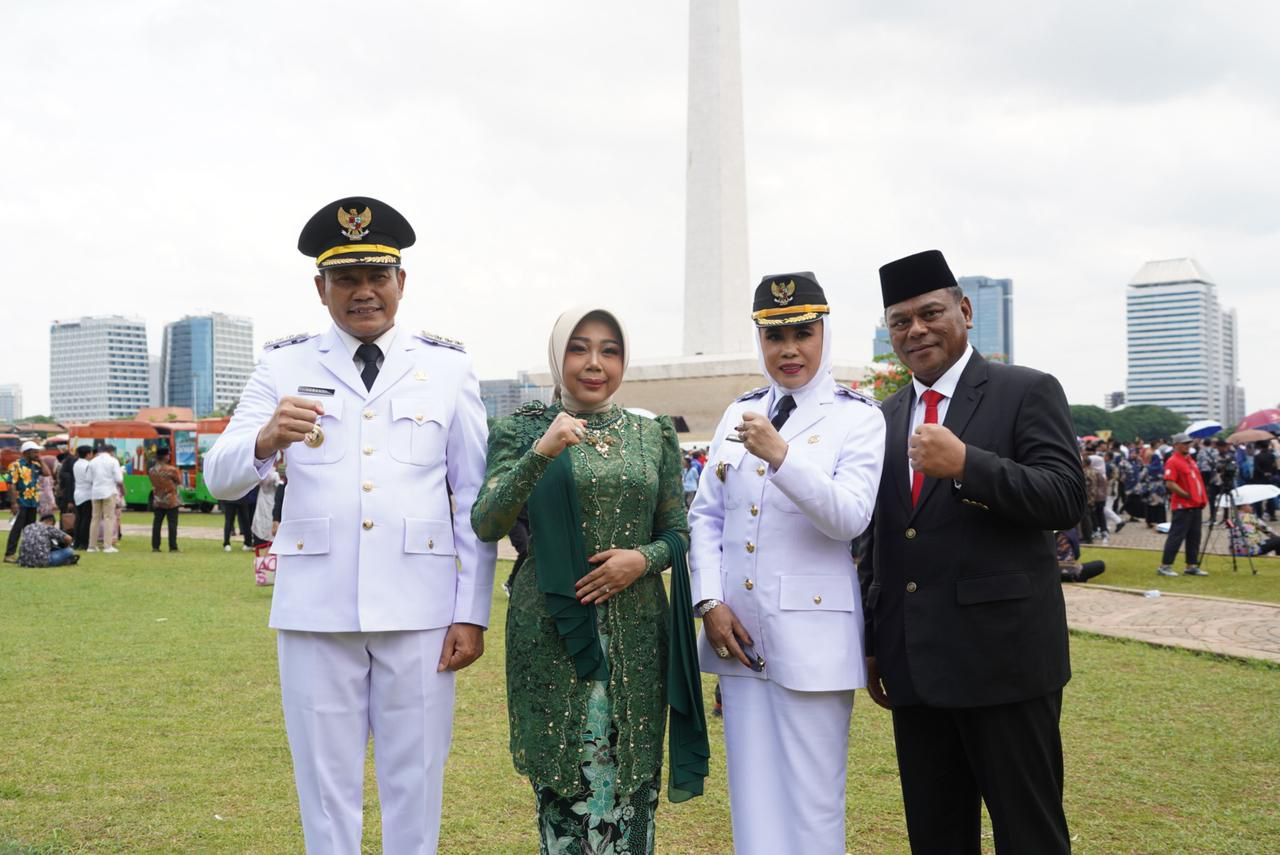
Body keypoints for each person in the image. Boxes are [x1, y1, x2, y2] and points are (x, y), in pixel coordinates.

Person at [203, 196, 497, 855]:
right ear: (320, 288)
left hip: (420, 611)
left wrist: (471, 611)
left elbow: (472, 498)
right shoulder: (283, 365)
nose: (363, 293)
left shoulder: (446, 367)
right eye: (345, 279)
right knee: (325, 791)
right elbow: (218, 476)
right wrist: (264, 438)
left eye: (377, 277)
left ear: (401, 282)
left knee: (415, 785)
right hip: (316, 608)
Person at [862, 250, 1084, 855]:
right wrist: (874, 642)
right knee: (936, 836)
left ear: (964, 311)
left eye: (931, 313)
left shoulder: (1025, 391)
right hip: (915, 666)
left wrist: (968, 465)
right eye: (900, 321)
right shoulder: (882, 419)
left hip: (1004, 661)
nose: (916, 330)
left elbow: (1065, 497)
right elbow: (876, 541)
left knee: (1029, 831)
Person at [471, 305, 707, 853]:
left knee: (631, 784)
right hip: (551, 634)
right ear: (557, 356)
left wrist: (641, 561)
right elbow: (488, 522)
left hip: (639, 638)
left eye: (610, 349)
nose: (595, 363)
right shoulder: (519, 430)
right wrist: (541, 451)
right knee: (565, 786)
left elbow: (677, 531)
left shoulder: (653, 436)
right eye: (579, 348)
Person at [689, 272, 885, 855]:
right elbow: (706, 516)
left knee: (813, 804)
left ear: (824, 332)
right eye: (775, 337)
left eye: (803, 333)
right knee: (753, 798)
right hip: (739, 633)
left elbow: (849, 519)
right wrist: (709, 601)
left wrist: (782, 456)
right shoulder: (738, 412)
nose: (789, 350)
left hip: (814, 638)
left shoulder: (858, 417)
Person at [1157, 432, 1209, 577]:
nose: (1188, 445)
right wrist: (1186, 495)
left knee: (1194, 536)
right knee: (1176, 536)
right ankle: (1165, 566)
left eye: (1188, 443)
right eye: (1184, 443)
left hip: (1195, 505)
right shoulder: (1173, 461)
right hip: (1183, 506)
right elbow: (1170, 483)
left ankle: (1191, 565)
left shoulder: (1190, 460)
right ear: (1176, 445)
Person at [4, 441, 45, 563]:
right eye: (35, 451)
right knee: (17, 528)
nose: (38, 453)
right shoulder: (15, 465)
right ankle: (9, 554)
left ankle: (27, 552)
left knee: (30, 529)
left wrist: (41, 460)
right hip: (21, 501)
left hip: (32, 501)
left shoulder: (35, 465)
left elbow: (47, 473)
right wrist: (13, 503)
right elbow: (10, 484)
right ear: (27, 452)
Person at [87, 444, 123, 553]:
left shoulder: (92, 462)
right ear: (111, 452)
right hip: (109, 491)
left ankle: (92, 546)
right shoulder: (113, 461)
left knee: (95, 519)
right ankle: (107, 546)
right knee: (108, 518)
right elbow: (119, 478)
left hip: (96, 492)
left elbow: (88, 478)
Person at [148, 446, 182, 553]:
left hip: (158, 499)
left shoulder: (151, 470)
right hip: (171, 500)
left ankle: (155, 546)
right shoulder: (171, 470)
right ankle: (173, 546)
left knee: (157, 523)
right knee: (172, 524)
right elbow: (179, 481)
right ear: (165, 456)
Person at [70, 445, 93, 550]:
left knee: (79, 519)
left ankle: (77, 542)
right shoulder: (88, 465)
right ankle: (84, 542)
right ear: (88, 454)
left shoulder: (76, 464)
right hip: (87, 494)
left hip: (78, 493)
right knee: (86, 519)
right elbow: (90, 479)